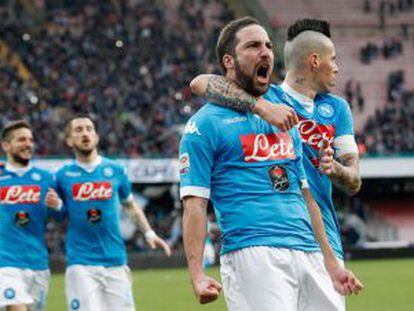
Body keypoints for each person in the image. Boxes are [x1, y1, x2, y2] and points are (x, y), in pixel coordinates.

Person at [180, 17, 362, 311]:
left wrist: (330, 262)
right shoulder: (205, 124)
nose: (265, 51)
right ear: (229, 60)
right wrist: (197, 275)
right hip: (253, 249)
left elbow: (307, 196)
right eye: (253, 45)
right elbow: (194, 205)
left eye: (267, 44)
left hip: (309, 250)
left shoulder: (295, 118)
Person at [47, 115, 171, 311]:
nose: (85, 133)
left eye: (89, 128)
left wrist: (149, 233)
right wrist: (53, 207)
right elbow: (59, 215)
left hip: (116, 260)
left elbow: (130, 206)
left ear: (96, 136)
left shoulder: (115, 170)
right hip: (81, 263)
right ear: (70, 140)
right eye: (78, 130)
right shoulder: (62, 176)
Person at [0, 121, 59, 311]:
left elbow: (59, 216)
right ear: (6, 146)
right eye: (22, 139)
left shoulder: (45, 178)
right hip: (6, 262)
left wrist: (57, 206)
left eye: (30, 140)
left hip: (38, 262)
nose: (28, 144)